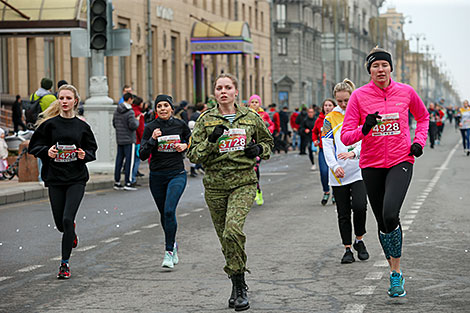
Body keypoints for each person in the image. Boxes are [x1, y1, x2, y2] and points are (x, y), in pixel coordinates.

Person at [341, 47, 429, 298]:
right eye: (375, 66)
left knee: (391, 213)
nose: (380, 70)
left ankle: (396, 273)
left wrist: (419, 142)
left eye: (384, 65)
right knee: (382, 222)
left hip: (401, 159)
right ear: (369, 70)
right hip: (371, 164)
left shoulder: (406, 92)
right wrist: (364, 128)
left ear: (391, 68)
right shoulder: (358, 97)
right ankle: (393, 271)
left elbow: (423, 117)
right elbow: (347, 136)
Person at [187, 73, 273, 311]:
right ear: (214, 93)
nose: (223, 91)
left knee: (232, 231)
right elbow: (193, 155)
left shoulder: (251, 117)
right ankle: (236, 282)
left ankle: (241, 285)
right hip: (215, 185)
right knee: (224, 239)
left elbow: (268, 144)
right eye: (218, 88)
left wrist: (257, 149)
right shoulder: (206, 119)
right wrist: (211, 141)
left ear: (236, 91)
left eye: (227, 87)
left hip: (243, 182)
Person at [28, 84, 98, 279]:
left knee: (68, 219)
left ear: (75, 101)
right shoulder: (49, 125)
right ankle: (71, 233)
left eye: (68, 98)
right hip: (56, 179)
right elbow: (34, 147)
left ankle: (64, 264)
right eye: (61, 98)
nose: (64, 101)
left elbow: (92, 150)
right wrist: (46, 152)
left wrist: (85, 155)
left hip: (76, 179)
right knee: (61, 225)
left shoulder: (82, 126)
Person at [139, 94, 191, 269]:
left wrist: (185, 145)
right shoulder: (150, 127)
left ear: (171, 109)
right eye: (159, 106)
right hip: (157, 175)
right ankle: (173, 243)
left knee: (169, 210)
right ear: (156, 110)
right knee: (164, 214)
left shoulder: (180, 125)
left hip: (177, 173)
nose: (162, 108)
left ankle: (168, 251)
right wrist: (153, 139)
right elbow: (142, 154)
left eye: (165, 106)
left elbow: (192, 140)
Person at [322, 79, 369, 264]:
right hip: (338, 173)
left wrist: (354, 153)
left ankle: (360, 240)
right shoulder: (329, 119)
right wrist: (334, 166)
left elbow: (365, 138)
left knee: (359, 206)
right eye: (339, 101)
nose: (343, 104)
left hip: (358, 169)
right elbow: (326, 145)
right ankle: (347, 248)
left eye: (346, 100)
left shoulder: (360, 114)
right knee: (343, 212)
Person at [249, 94, 274, 206]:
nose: (254, 104)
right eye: (252, 102)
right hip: (248, 145)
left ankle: (258, 191)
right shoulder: (245, 115)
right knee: (250, 169)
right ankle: (253, 190)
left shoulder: (264, 115)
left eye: (256, 102)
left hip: (259, 146)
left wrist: (267, 133)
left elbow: (271, 126)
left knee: (255, 167)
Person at [113, 92, 140, 190]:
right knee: (129, 162)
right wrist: (137, 120)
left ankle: (117, 182)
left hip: (119, 139)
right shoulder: (130, 111)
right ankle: (128, 183)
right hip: (129, 139)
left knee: (119, 161)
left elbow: (114, 123)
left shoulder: (117, 110)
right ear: (130, 99)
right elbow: (133, 125)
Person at [312, 98, 336, 205]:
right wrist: (315, 140)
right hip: (323, 150)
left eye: (330, 105)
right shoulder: (320, 120)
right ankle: (326, 191)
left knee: (335, 171)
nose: (327, 107)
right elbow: (314, 132)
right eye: (325, 105)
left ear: (334, 107)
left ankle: (336, 193)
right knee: (324, 171)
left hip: (336, 149)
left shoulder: (337, 118)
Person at [130, 96, 145, 186]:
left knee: (131, 161)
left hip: (130, 140)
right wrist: (144, 140)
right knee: (136, 161)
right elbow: (141, 129)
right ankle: (133, 179)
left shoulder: (130, 112)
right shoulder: (139, 114)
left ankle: (130, 178)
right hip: (138, 141)